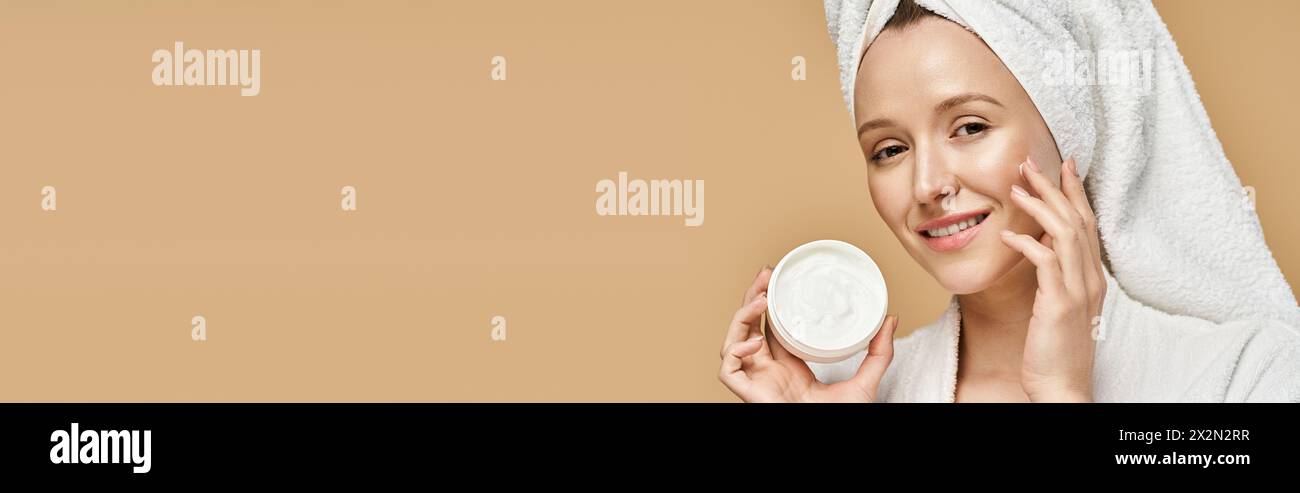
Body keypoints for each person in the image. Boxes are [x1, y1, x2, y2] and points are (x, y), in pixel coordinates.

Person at [718, 0, 1300, 402]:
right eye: (889, 149)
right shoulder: (848, 388)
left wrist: (1064, 395)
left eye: (970, 127)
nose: (926, 185)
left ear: (1068, 127)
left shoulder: (1248, 372)